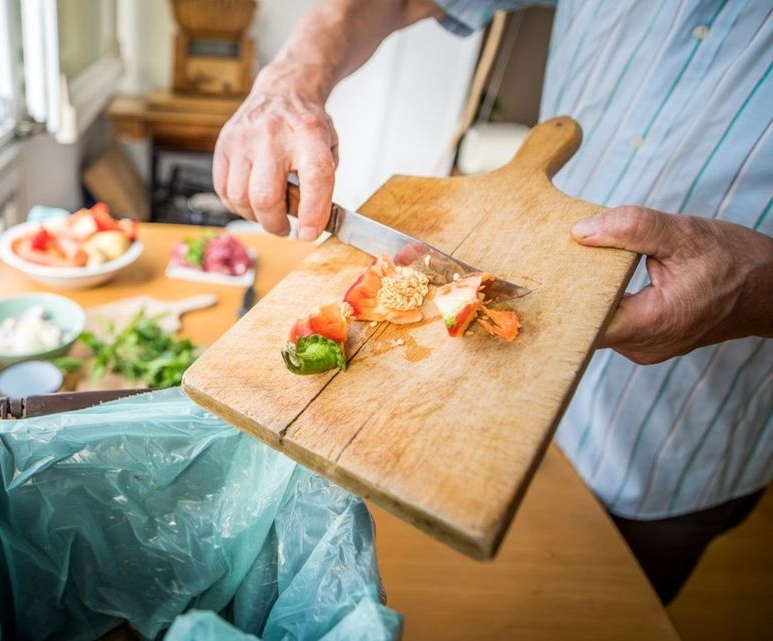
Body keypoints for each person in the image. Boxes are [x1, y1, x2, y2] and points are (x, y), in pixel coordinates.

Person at [212, 0, 773, 604]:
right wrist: (288, 75)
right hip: (469, 419)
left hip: (667, 439)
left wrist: (757, 285)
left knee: (582, 608)